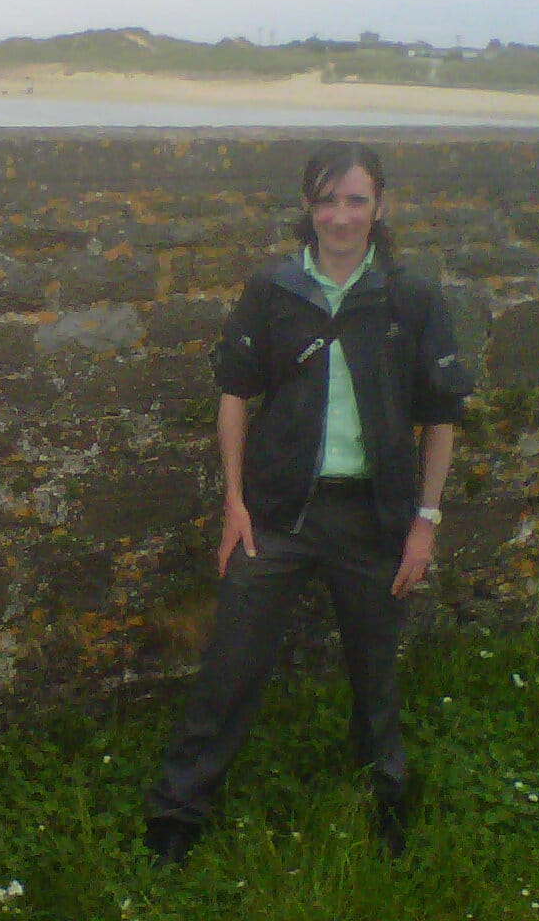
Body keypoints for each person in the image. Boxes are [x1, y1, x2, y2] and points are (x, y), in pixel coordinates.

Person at [143, 141, 472, 864]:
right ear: (308, 207)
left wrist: (426, 521)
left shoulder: (410, 298)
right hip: (278, 516)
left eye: (356, 200)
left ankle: (387, 799)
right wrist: (234, 504)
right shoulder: (274, 290)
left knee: (375, 670)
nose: (341, 215)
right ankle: (177, 812)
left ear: (379, 207)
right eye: (327, 200)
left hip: (373, 518)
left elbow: (440, 415)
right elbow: (234, 393)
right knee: (230, 665)